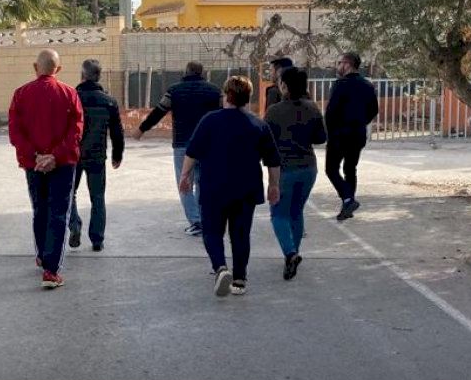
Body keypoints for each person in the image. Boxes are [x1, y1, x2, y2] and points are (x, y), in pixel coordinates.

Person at [179, 76, 281, 297]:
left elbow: (192, 152)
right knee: (241, 234)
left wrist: (185, 175)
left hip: (214, 187)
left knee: (212, 232)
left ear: (226, 95)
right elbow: (272, 160)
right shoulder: (258, 124)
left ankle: (220, 267)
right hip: (246, 189)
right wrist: (274, 185)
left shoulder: (209, 121)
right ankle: (239, 280)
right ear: (248, 97)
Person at [8, 49, 84, 289]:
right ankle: (51, 270)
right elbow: (76, 130)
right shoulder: (69, 93)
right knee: (59, 213)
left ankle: (42, 255)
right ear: (58, 69)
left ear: (35, 67)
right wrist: (55, 155)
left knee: (40, 209)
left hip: (33, 164)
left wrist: (36, 156)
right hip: (63, 164)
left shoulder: (21, 94)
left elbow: (15, 132)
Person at [135, 61, 223, 237]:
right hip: (208, 144)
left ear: (186, 72)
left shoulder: (174, 91)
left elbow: (158, 112)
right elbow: (224, 114)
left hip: (183, 144)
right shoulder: (215, 91)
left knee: (184, 183)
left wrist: (142, 129)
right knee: (203, 183)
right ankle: (204, 219)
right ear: (202, 72)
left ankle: (196, 221)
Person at [265, 64, 327, 280]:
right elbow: (321, 138)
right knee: (296, 211)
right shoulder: (312, 108)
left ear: (284, 85)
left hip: (284, 169)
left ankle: (290, 253)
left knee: (278, 214)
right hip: (308, 168)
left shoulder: (274, 111)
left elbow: (265, 141)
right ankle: (294, 252)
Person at [68, 59, 124, 252]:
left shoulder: (72, 98)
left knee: (68, 193)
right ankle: (97, 240)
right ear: (99, 76)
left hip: (72, 156)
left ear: (82, 75)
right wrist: (117, 154)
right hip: (97, 156)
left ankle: (74, 225)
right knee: (98, 197)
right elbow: (117, 131)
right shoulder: (109, 101)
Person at [324, 51, 379, 221]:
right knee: (350, 169)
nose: (338, 66)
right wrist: (361, 122)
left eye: (340, 63)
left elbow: (331, 111)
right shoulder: (367, 85)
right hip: (358, 134)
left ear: (347, 64)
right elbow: (373, 110)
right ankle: (348, 205)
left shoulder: (340, 84)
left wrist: (329, 132)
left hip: (339, 134)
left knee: (331, 169)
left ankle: (348, 199)